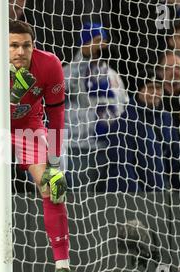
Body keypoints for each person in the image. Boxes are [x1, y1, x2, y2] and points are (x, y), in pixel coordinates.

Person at [0, 20, 83, 272]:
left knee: (53, 183)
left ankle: (63, 270)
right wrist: (14, 94)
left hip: (29, 126)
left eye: (26, 45)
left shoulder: (49, 65)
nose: (20, 52)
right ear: (3, 47)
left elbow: (57, 113)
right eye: (13, 45)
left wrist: (55, 158)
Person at [64, 22, 129, 192]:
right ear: (85, 44)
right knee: (80, 202)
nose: (102, 45)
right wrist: (83, 58)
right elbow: (59, 88)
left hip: (108, 148)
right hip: (79, 149)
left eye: (105, 41)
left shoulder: (113, 74)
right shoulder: (72, 71)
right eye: (98, 40)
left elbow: (123, 103)